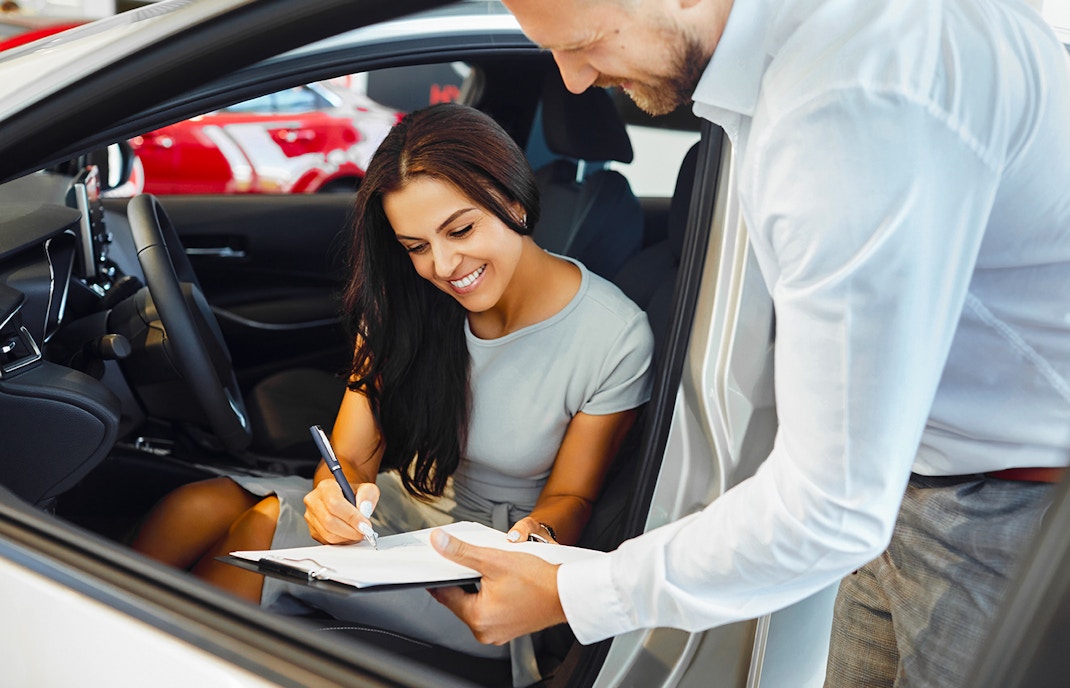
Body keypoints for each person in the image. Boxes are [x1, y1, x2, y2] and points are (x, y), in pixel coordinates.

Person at [427, 0, 1070, 685]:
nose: (576, 81)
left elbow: (831, 508)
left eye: (584, 43)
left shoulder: (850, 103)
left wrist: (573, 595)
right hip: (918, 486)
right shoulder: (801, 60)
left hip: (1013, 517)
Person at [132, 103, 654, 685]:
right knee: (198, 501)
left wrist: (539, 542)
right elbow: (349, 458)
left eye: (460, 230)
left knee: (259, 525)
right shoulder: (405, 303)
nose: (445, 265)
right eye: (416, 246)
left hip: (490, 561)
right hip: (401, 509)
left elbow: (573, 499)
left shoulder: (613, 335)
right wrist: (333, 498)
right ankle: (98, 639)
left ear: (512, 199)